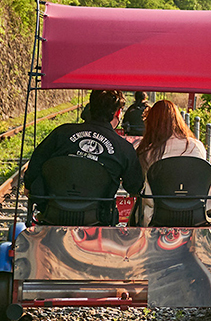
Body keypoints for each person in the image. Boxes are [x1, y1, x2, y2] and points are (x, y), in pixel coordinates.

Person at [25, 89, 144, 225]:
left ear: (90, 107)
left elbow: (35, 164)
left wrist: (29, 185)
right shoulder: (124, 148)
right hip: (97, 219)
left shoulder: (61, 133)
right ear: (117, 113)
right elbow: (134, 186)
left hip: (52, 214)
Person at [135, 99, 211, 226]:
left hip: (158, 217)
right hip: (197, 216)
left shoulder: (147, 152)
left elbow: (139, 183)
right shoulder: (197, 146)